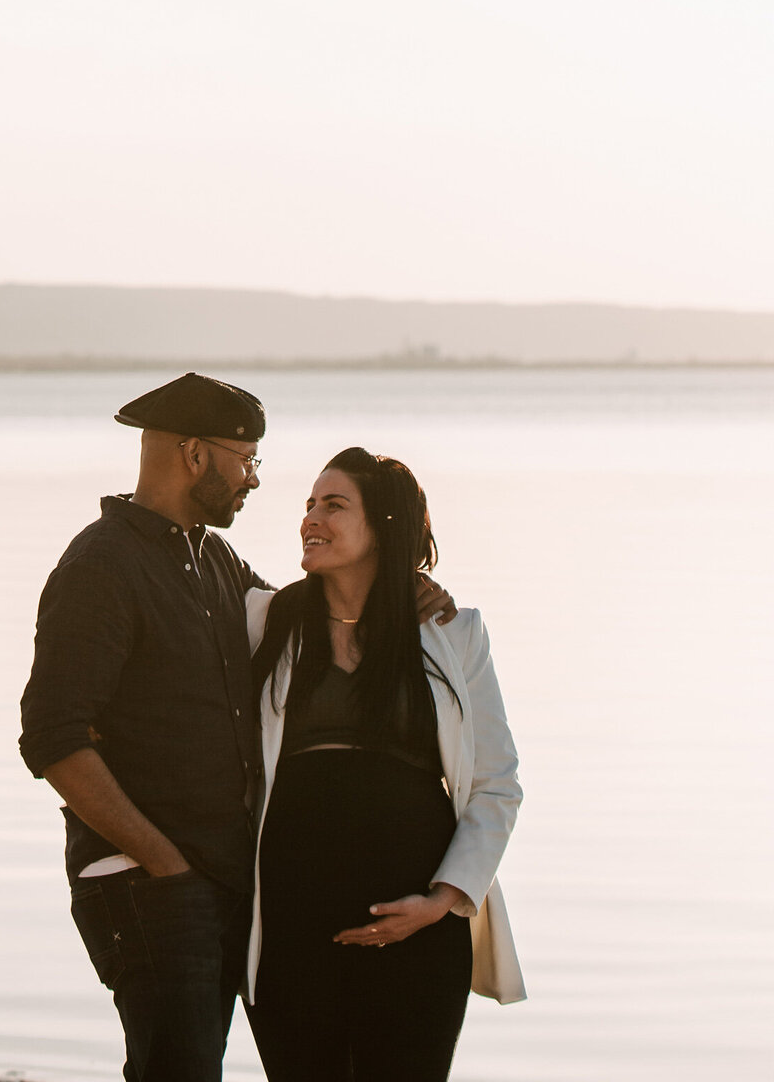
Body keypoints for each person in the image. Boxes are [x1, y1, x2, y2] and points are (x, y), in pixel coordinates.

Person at [18, 376, 456, 1082]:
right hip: (146, 882)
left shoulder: (210, 560)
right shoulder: (102, 564)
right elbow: (51, 738)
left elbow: (303, 608)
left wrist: (396, 586)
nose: (254, 480)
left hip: (214, 881)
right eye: (245, 459)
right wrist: (162, 861)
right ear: (194, 454)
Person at [244, 447, 523, 1082]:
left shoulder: (453, 632)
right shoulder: (264, 620)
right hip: (288, 926)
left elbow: (496, 783)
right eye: (309, 505)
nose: (311, 519)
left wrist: (442, 900)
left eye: (333, 505)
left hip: (419, 933)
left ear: (386, 525)